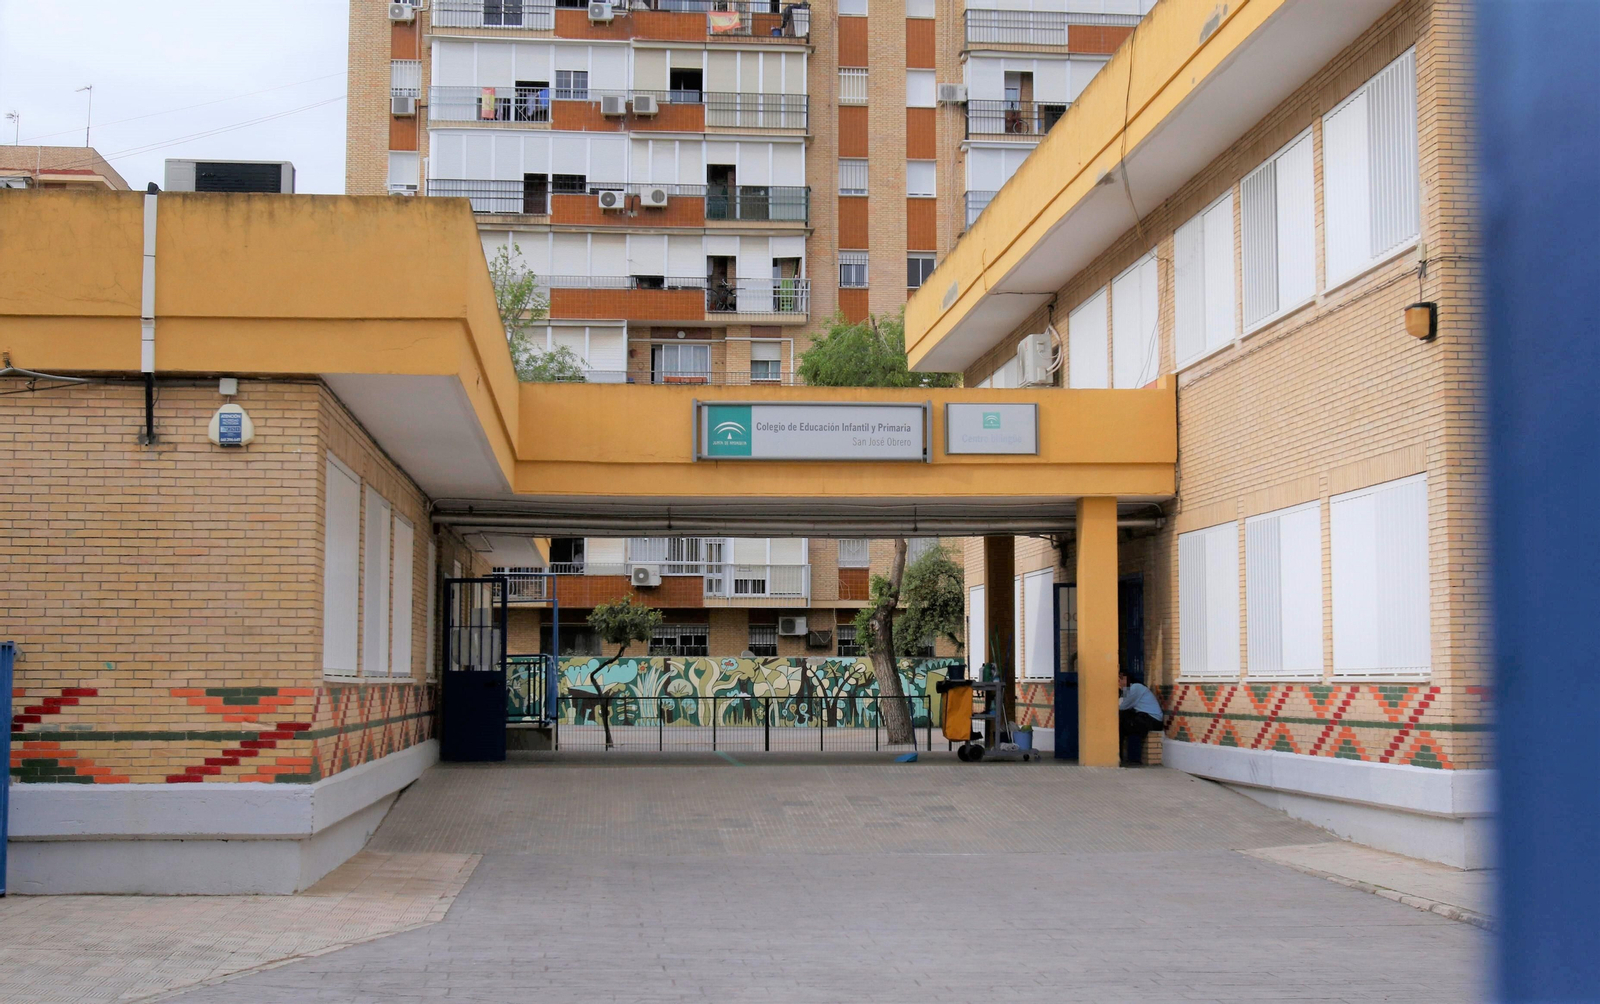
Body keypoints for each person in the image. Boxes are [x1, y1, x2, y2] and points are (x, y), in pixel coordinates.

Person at [1118, 670, 1164, 766]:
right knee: (1124, 724)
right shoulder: (1128, 690)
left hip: (1153, 719)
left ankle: (1134, 759)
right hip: (1144, 718)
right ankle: (1123, 756)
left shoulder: (1136, 688)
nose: (1118, 683)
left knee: (1131, 726)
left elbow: (1122, 706)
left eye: (1119, 680)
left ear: (1126, 679)